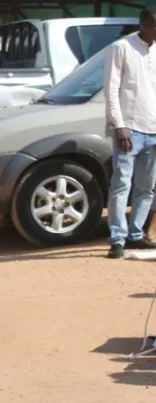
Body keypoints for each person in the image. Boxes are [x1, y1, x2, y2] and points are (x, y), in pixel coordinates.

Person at [104, 6, 156, 259]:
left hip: (154, 129)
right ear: (143, 25)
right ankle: (117, 239)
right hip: (129, 129)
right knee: (121, 183)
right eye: (155, 27)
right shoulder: (121, 48)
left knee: (147, 187)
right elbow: (111, 90)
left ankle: (136, 234)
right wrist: (119, 125)